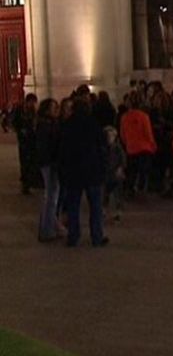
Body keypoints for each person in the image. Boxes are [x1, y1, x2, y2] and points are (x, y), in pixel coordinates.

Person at [58, 96, 109, 247]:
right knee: (95, 207)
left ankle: (73, 236)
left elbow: (62, 151)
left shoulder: (67, 125)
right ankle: (97, 237)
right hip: (92, 170)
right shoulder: (94, 124)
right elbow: (102, 147)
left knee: (73, 206)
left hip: (74, 171)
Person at [120, 91, 157, 197]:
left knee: (132, 170)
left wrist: (127, 143)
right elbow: (148, 133)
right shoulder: (144, 116)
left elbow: (123, 134)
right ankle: (141, 187)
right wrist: (153, 145)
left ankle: (130, 189)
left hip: (131, 147)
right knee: (143, 170)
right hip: (144, 148)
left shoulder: (124, 117)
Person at [36, 98, 63, 242]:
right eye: (54, 108)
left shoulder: (46, 124)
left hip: (48, 162)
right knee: (51, 197)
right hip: (50, 164)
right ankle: (47, 230)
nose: (56, 110)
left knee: (51, 197)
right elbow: (48, 146)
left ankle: (48, 227)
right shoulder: (46, 125)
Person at [13, 93, 39, 194]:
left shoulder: (33, 111)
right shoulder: (20, 110)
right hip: (23, 140)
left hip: (32, 139)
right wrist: (20, 130)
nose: (32, 104)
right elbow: (15, 123)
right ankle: (25, 183)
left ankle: (29, 181)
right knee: (24, 161)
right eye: (31, 102)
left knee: (31, 161)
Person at [103, 127, 126, 224]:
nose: (109, 138)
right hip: (106, 175)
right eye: (108, 136)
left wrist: (120, 168)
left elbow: (123, 159)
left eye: (111, 136)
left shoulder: (118, 148)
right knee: (105, 194)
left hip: (116, 175)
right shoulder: (103, 148)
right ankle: (103, 211)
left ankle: (118, 213)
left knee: (118, 195)